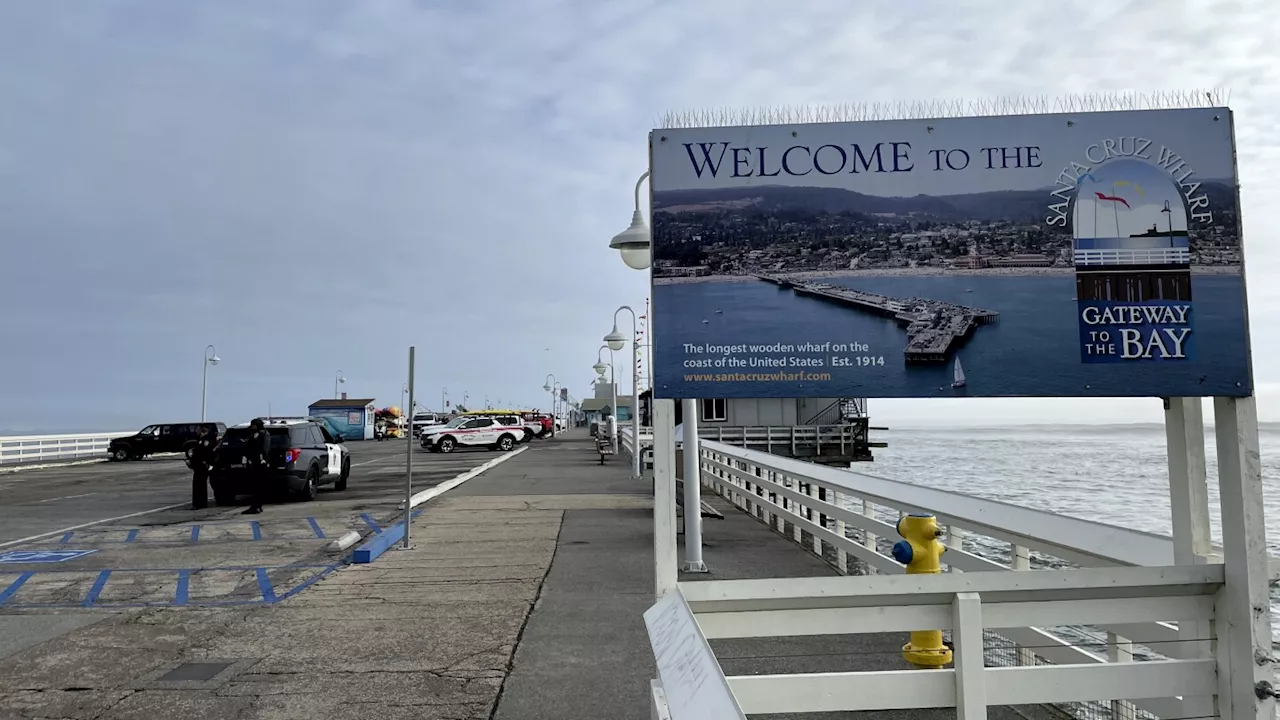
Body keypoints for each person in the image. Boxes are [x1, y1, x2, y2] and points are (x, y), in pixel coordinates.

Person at [242, 418, 270, 515]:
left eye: (253, 425)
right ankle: (256, 505)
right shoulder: (252, 435)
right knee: (255, 486)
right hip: (253, 462)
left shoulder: (263, 434)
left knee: (257, 486)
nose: (252, 427)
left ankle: (256, 506)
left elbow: (264, 448)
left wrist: (263, 459)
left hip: (259, 463)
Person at [190, 424, 218, 510]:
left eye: (200, 429)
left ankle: (199, 503)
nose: (197, 431)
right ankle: (200, 503)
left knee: (199, 484)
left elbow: (205, 452)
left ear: (204, 430)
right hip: (198, 465)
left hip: (202, 465)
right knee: (199, 484)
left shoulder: (207, 439)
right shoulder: (201, 439)